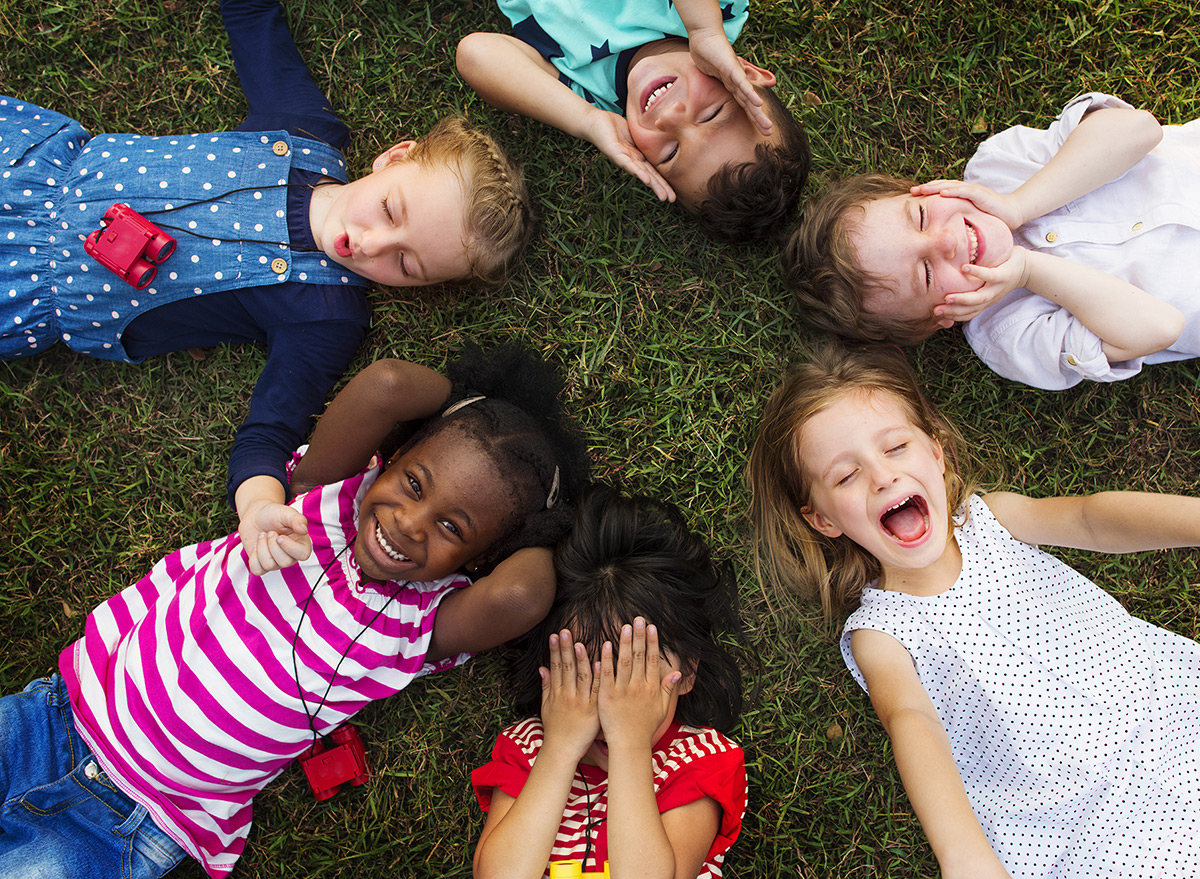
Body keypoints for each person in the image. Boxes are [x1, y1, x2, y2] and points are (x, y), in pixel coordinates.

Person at [0, 342, 588, 879]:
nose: (411, 523)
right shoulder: (321, 500)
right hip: (54, 718)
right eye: (413, 483)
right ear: (392, 459)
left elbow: (521, 597)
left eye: (452, 528)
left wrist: (545, 527)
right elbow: (386, 384)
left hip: (141, 821)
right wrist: (460, 404)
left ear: (479, 558)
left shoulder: (422, 625)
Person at [0, 0, 533, 556]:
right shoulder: (301, 129)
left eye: (405, 265)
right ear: (395, 158)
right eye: (391, 211)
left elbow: (269, 432)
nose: (372, 244)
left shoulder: (326, 314)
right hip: (26, 167)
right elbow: (254, 23)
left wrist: (258, 507)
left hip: (28, 285)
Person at [745, 342, 1200, 879]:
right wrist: (966, 865)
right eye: (845, 477)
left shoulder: (994, 519)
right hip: (1079, 821)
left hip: (1170, 706)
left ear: (937, 452)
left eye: (895, 447)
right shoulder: (880, 635)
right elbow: (912, 722)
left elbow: (1093, 518)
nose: (883, 477)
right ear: (822, 520)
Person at [782, 93, 1200, 390]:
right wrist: (1029, 271)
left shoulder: (999, 164)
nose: (946, 241)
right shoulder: (1008, 336)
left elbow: (1139, 129)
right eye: (927, 273)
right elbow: (1162, 327)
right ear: (939, 318)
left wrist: (1019, 204)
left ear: (923, 190)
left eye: (922, 217)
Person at [472, 486, 748, 879]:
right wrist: (561, 745)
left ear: (687, 672)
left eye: (632, 674)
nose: (608, 704)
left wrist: (631, 741)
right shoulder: (529, 748)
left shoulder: (701, 760)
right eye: (585, 673)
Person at [455, 0, 810, 245]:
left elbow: (475, 55)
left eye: (670, 153)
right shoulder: (717, 13)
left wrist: (588, 121)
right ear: (745, 74)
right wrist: (704, 30)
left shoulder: (587, 97)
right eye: (712, 113)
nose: (671, 118)